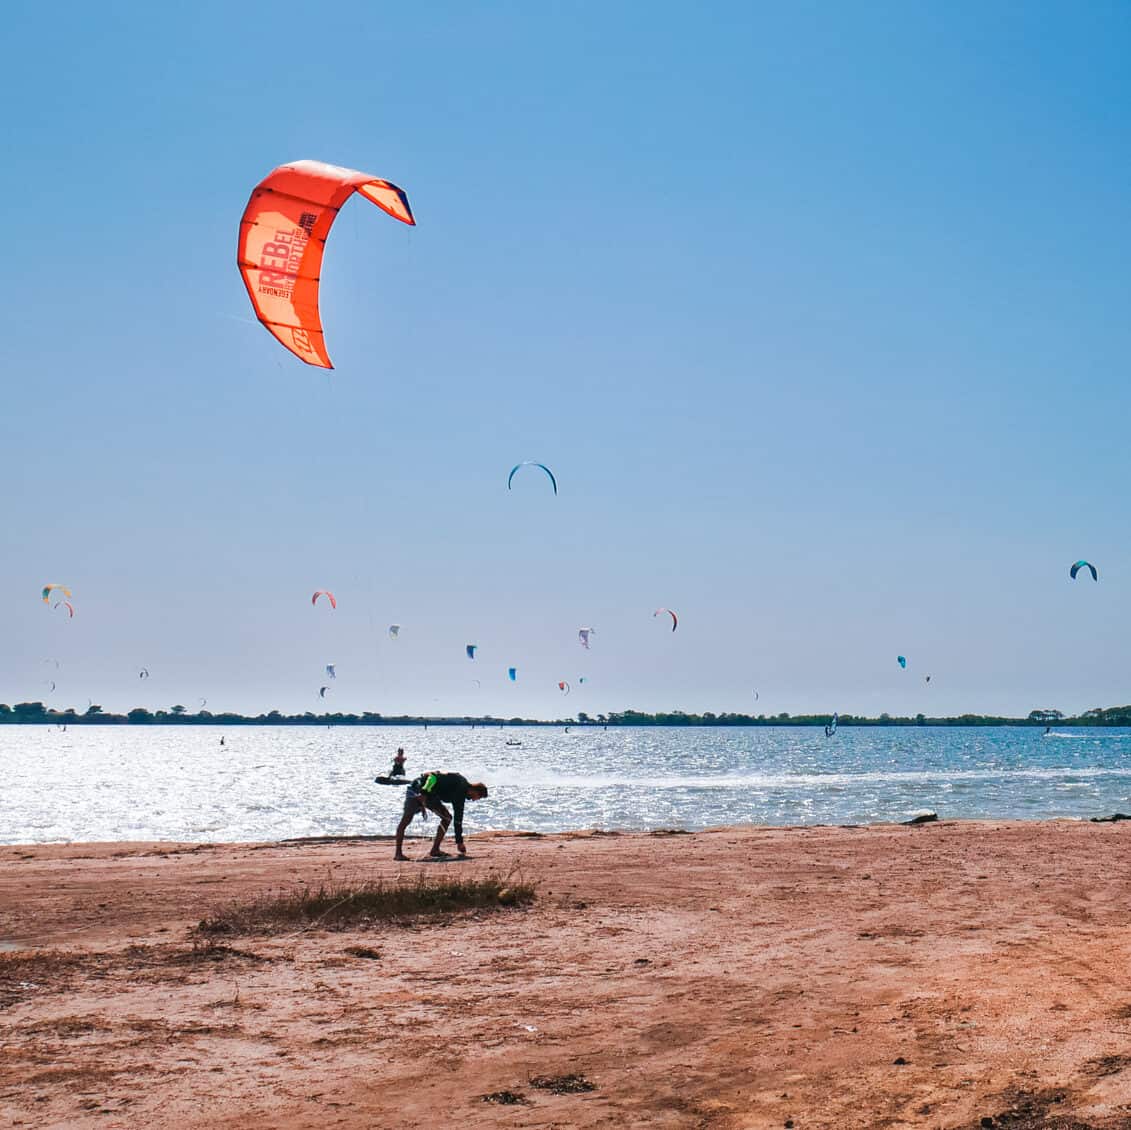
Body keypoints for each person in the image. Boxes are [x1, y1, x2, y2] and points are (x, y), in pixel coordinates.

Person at [394, 771, 488, 861]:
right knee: (406, 820)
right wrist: (423, 793)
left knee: (447, 818)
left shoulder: (461, 796)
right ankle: (398, 854)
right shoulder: (459, 782)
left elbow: (458, 819)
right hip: (417, 789)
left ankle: (435, 850)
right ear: (475, 790)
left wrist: (459, 842)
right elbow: (432, 777)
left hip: (430, 796)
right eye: (478, 797)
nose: (475, 800)